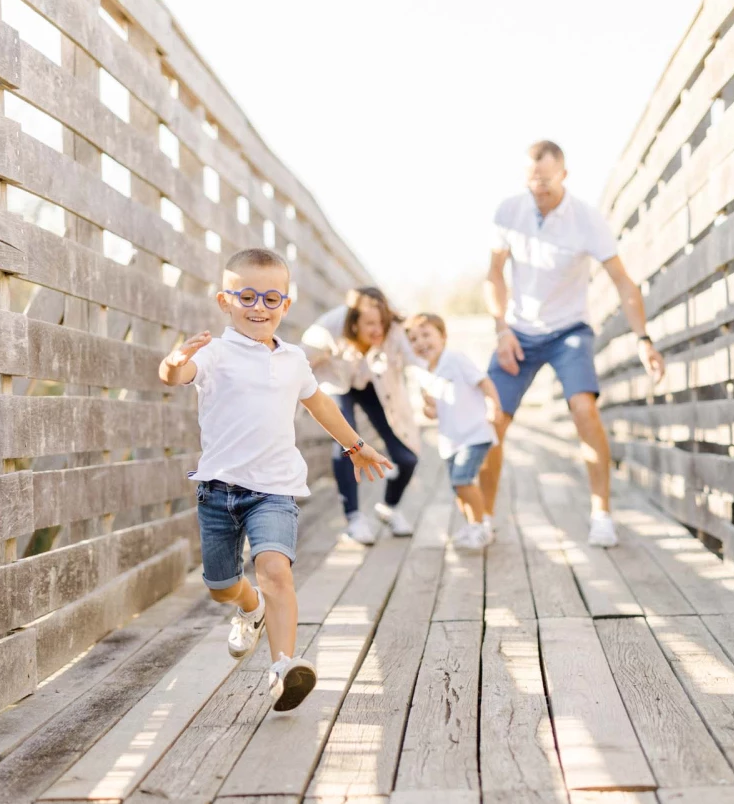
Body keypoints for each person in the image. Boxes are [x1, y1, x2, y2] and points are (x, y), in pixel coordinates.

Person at [160, 247, 390, 708]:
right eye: (246, 296)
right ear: (225, 301)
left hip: (275, 489)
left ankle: (284, 666)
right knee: (221, 584)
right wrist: (172, 361)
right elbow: (177, 374)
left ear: (285, 306)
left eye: (270, 299)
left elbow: (320, 403)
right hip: (218, 490)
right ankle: (250, 608)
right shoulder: (216, 353)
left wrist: (355, 445)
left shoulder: (294, 359)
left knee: (274, 570)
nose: (258, 307)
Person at [480, 140, 665, 547]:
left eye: (546, 181)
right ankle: (484, 519)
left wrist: (643, 339)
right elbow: (494, 274)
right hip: (518, 332)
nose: (539, 189)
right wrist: (501, 329)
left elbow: (622, 281)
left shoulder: (587, 220)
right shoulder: (508, 212)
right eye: (532, 182)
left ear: (563, 174)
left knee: (584, 408)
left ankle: (602, 514)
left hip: (569, 331)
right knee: (492, 420)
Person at [302, 286, 425, 545]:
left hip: (373, 383)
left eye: (382, 322)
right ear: (354, 321)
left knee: (407, 456)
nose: (378, 330)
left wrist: (430, 391)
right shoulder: (329, 327)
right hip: (336, 383)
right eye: (370, 323)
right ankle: (354, 518)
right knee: (347, 443)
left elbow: (416, 362)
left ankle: (389, 507)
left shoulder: (393, 329)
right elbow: (298, 363)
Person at [406, 312, 500, 551]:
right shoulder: (426, 373)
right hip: (451, 441)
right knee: (458, 488)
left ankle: (482, 526)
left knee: (463, 480)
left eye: (426, 335)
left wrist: (493, 405)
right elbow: (434, 412)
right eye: (414, 339)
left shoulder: (455, 359)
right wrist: (427, 406)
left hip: (474, 433)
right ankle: (472, 525)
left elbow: (484, 381)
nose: (421, 343)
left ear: (443, 337)